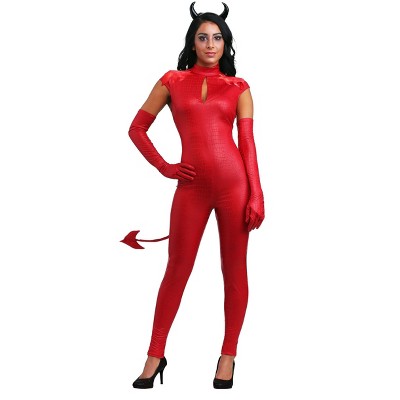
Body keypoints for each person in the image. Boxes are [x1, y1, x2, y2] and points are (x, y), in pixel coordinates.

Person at [125, 2, 265, 389]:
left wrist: (257, 194)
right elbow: (136, 128)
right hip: (190, 187)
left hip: (235, 186)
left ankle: (228, 355)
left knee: (234, 270)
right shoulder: (171, 81)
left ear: (226, 44)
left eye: (217, 38)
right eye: (203, 38)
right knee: (177, 269)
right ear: (192, 42)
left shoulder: (239, 87)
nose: (210, 44)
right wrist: (164, 166)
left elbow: (248, 144)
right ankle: (155, 354)